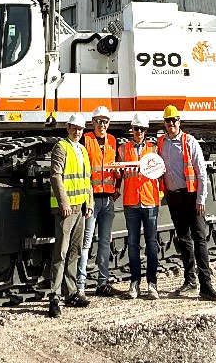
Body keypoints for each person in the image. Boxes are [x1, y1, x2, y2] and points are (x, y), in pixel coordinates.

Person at [157, 104, 216, 301]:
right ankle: (190, 281)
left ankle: (206, 285)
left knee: (199, 239)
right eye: (168, 120)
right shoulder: (161, 143)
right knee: (184, 239)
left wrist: (201, 198)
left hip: (191, 197)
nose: (171, 123)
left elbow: (201, 172)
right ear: (164, 123)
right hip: (174, 197)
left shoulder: (189, 142)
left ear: (179, 121)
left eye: (174, 120)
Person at [45, 113, 93, 316]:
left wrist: (89, 203)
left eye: (80, 129)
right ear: (68, 128)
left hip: (80, 208)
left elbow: (87, 178)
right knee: (61, 252)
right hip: (67, 209)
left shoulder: (82, 150)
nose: (77, 131)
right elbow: (55, 176)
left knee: (75, 251)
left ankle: (71, 293)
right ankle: (54, 296)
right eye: (74, 128)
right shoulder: (61, 147)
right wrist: (63, 202)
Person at [117, 110, 162, 299]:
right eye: (137, 128)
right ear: (132, 129)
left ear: (146, 130)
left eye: (142, 129)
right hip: (131, 202)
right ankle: (134, 283)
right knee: (133, 244)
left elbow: (161, 172)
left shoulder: (153, 149)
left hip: (150, 201)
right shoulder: (123, 149)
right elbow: (118, 174)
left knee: (151, 243)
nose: (139, 132)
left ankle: (152, 284)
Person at [80, 105, 121, 296]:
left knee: (105, 242)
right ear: (92, 122)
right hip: (92, 200)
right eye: (98, 121)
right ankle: (80, 285)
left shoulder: (112, 140)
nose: (102, 125)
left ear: (108, 123)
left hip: (108, 199)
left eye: (105, 121)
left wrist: (117, 184)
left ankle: (102, 283)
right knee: (86, 242)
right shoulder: (86, 139)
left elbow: (115, 167)